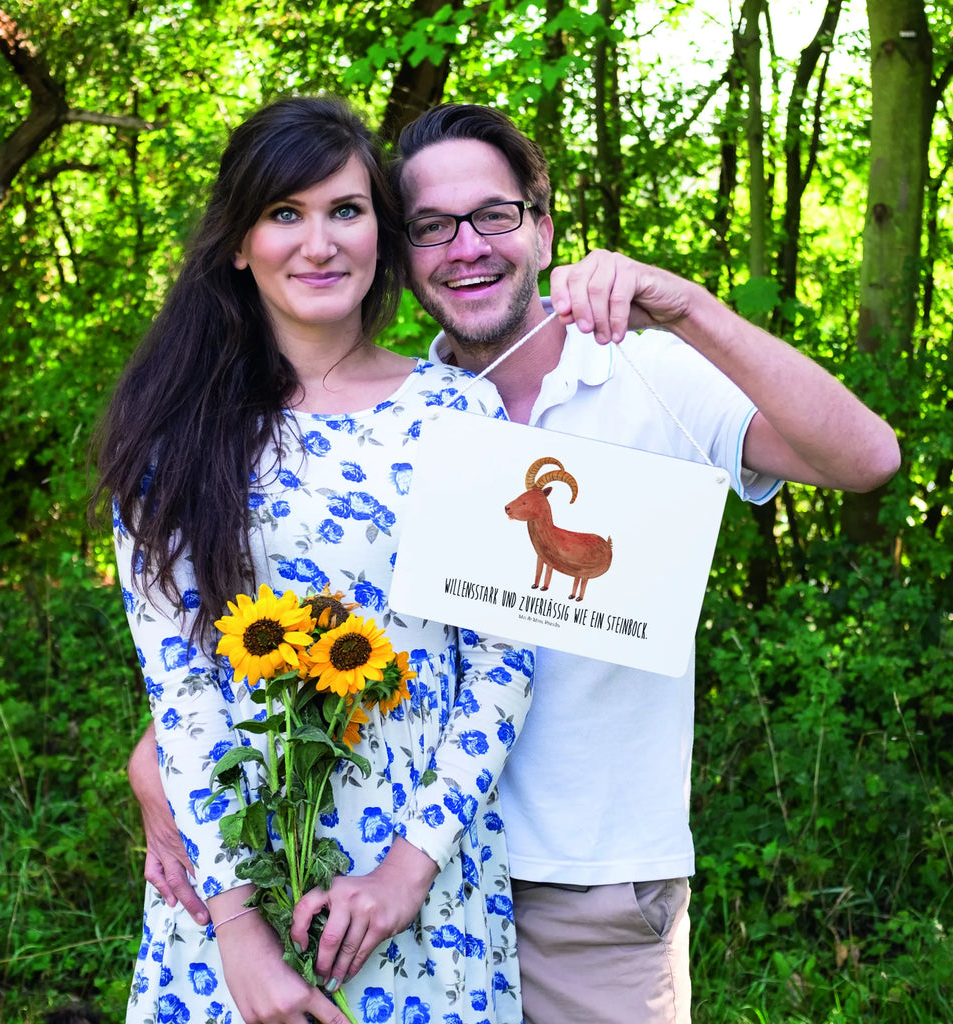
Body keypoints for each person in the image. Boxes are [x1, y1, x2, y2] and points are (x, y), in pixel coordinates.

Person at [131, 102, 901, 1023]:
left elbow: (867, 461)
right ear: (403, 251)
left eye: (493, 215)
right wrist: (165, 768)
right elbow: (269, 628)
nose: (465, 247)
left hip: (582, 887)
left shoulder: (641, 373)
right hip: (353, 875)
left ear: (541, 226)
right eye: (431, 227)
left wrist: (688, 306)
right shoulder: (392, 418)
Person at [94, 97, 536, 1024]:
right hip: (231, 888)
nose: (319, 242)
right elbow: (181, 691)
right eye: (284, 214)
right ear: (238, 244)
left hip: (421, 888)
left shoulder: (460, 415)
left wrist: (407, 873)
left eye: (345, 210)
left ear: (381, 229)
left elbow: (502, 662)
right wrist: (240, 936)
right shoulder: (173, 438)